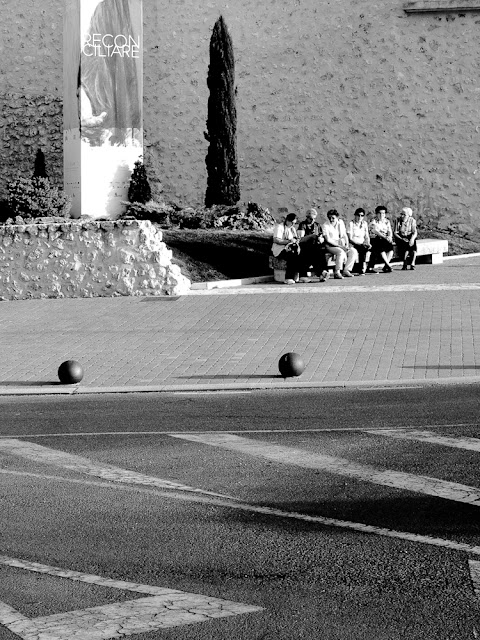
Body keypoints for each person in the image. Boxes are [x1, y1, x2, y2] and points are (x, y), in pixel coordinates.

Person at [321, 209, 356, 279]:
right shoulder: (325, 225)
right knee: (341, 252)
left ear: (337, 217)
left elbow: (344, 234)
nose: (331, 220)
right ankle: (337, 272)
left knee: (353, 251)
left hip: (341, 244)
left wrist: (347, 245)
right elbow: (328, 240)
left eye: (333, 218)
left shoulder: (341, 222)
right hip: (330, 246)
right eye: (329, 218)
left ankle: (346, 270)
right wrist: (340, 247)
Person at [297, 208, 330, 282]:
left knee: (321, 253)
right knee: (313, 254)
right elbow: (301, 239)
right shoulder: (303, 225)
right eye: (310, 219)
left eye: (314, 219)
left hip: (315, 246)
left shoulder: (317, 225)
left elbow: (321, 235)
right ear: (307, 217)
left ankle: (323, 272)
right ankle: (322, 272)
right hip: (305, 246)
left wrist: (321, 239)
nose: (312, 220)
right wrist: (311, 236)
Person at [271, 213, 301, 284]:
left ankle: (300, 275)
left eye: (294, 223)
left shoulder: (292, 229)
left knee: (300, 254)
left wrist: (296, 240)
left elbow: (294, 238)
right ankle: (288, 277)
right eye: (292, 223)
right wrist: (288, 241)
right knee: (291, 255)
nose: (293, 225)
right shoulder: (280, 227)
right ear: (287, 220)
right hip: (280, 249)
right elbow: (276, 240)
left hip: (290, 247)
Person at [367, 205, 394, 273]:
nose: (382, 215)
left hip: (384, 239)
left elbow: (389, 231)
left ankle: (386, 266)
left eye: (383, 213)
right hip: (375, 239)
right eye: (380, 213)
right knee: (381, 248)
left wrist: (390, 237)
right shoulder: (373, 221)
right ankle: (388, 266)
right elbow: (374, 231)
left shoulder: (387, 221)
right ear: (376, 214)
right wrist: (384, 237)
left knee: (391, 250)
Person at [347, 208, 371, 275]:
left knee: (371, 247)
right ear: (355, 215)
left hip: (362, 243)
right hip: (353, 243)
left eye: (362, 215)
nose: (360, 217)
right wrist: (358, 243)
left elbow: (367, 236)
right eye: (358, 215)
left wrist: (368, 243)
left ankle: (369, 267)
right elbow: (350, 238)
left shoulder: (365, 224)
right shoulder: (351, 224)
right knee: (362, 248)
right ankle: (361, 268)